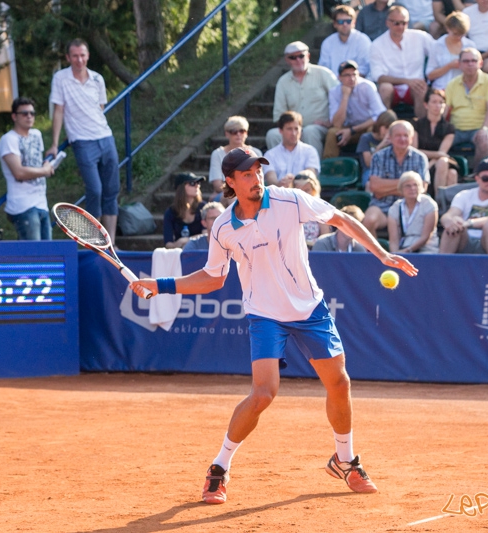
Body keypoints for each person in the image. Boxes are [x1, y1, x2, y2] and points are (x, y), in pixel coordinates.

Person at [129, 147, 418, 505]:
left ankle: (344, 459)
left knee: (339, 383)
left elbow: (341, 219)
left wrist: (382, 254)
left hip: (309, 309)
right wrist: (161, 285)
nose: (256, 179)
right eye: (247, 174)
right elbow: (213, 277)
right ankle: (219, 467)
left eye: (258, 171)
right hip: (265, 315)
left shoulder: (290, 199)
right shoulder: (223, 227)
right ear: (231, 182)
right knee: (264, 393)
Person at [47, 38, 121, 240]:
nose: (79, 60)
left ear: (88, 56)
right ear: (68, 57)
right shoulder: (61, 78)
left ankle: (111, 242)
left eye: (82, 55)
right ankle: (95, 240)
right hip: (82, 141)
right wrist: (55, 144)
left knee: (111, 190)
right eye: (75, 56)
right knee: (95, 190)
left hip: (105, 137)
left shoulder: (97, 78)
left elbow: (100, 108)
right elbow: (59, 110)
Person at [267, 42, 339, 161]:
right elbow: (280, 114)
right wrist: (290, 128)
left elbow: (339, 98)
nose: (298, 60)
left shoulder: (323, 74)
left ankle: (314, 169)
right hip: (293, 127)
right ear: (287, 60)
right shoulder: (283, 82)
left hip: (320, 127)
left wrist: (331, 122)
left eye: (301, 56)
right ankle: (281, 169)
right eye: (293, 57)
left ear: (308, 56)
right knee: (272, 135)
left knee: (310, 132)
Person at [0, 97, 55, 240]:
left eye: (32, 113)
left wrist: (46, 166)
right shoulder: (8, 139)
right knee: (33, 251)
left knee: (48, 251)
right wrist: (45, 171)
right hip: (22, 205)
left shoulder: (37, 134)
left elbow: (36, 163)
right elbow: (18, 172)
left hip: (41, 202)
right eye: (24, 113)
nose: (29, 116)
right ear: (14, 117)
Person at [363, 120, 430, 234]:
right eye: (398, 135)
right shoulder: (378, 157)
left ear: (412, 138)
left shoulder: (420, 158)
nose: (402, 139)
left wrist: (384, 190)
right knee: (369, 220)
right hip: (382, 207)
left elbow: (422, 188)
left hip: (411, 207)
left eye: (406, 135)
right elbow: (374, 186)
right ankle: (375, 247)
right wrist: (408, 184)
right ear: (390, 137)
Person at [368, 5, 435, 118]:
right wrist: (407, 81)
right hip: (392, 89)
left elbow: (438, 51)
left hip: (415, 87)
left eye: (404, 23)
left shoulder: (420, 37)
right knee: (385, 88)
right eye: (396, 23)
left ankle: (422, 125)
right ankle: (385, 124)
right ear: (387, 23)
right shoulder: (377, 45)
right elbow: (378, 77)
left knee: (421, 87)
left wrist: (430, 74)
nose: (401, 27)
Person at [439, 160, 488, 254]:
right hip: (465, 239)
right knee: (454, 223)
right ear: (477, 179)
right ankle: (442, 262)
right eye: (486, 178)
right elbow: (449, 215)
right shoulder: (464, 195)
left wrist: (468, 223)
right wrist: (449, 222)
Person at [445, 48, 488, 166]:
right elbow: (445, 110)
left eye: (474, 61)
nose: (470, 64)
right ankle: (451, 170)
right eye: (466, 61)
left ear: (481, 63)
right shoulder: (452, 84)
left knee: (484, 140)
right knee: (437, 138)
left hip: (480, 128)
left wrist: (484, 129)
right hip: (456, 129)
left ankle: (477, 174)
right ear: (459, 64)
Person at [325, 60, 386, 159]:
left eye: (354, 74)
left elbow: (380, 115)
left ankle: (370, 161)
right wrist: (345, 96)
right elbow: (337, 124)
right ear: (339, 77)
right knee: (332, 132)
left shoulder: (367, 86)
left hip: (366, 126)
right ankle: (329, 165)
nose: (352, 78)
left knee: (373, 130)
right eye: (347, 75)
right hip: (348, 128)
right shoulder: (334, 92)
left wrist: (352, 130)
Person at [412, 89, 458, 197]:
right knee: (447, 168)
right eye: (434, 102)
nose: (438, 106)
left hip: (438, 164)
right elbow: (414, 151)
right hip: (419, 162)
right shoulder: (417, 124)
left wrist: (428, 166)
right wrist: (435, 156)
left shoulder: (449, 128)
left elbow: (442, 153)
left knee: (447, 167)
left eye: (441, 102)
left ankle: (440, 201)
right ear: (426, 105)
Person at [208, 116, 262, 204]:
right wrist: (239, 189)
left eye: (242, 131)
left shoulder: (256, 152)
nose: (238, 134)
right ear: (227, 134)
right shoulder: (217, 154)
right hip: (226, 193)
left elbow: (261, 178)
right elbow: (217, 185)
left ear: (246, 133)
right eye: (234, 132)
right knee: (233, 196)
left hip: (251, 190)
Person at [262, 112, 320, 187]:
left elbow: (310, 177)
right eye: (289, 129)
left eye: (296, 129)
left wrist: (294, 183)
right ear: (280, 130)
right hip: (279, 193)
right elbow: (271, 181)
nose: (294, 133)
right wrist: (282, 184)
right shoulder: (270, 155)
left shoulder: (310, 151)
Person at [387, 171, 440, 253]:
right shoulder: (395, 208)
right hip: (404, 247)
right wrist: (395, 255)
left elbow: (426, 236)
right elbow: (393, 240)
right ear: (401, 189)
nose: (412, 188)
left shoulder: (429, 204)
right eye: (408, 186)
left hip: (426, 250)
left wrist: (408, 250)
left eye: (415, 185)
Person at [426, 12, 477, 91]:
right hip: (441, 89)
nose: (459, 37)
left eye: (462, 34)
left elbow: (476, 72)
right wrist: (449, 66)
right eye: (455, 34)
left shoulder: (471, 45)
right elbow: (430, 75)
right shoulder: (436, 45)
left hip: (464, 89)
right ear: (447, 29)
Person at [319, 6, 373, 79]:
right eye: (340, 22)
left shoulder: (363, 40)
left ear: (354, 22)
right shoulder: (327, 43)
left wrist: (347, 80)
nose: (345, 24)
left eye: (348, 21)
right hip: (333, 83)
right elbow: (324, 69)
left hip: (358, 82)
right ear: (334, 24)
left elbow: (366, 69)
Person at [163, 173, 207, 249]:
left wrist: (187, 240)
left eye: (198, 183)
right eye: (192, 183)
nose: (197, 186)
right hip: (180, 251)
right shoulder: (171, 212)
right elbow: (168, 243)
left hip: (201, 250)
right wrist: (176, 245)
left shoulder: (204, 208)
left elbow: (207, 235)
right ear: (181, 188)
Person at [356, 110, 398, 185]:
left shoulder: (394, 139)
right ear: (379, 125)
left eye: (390, 129)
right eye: (386, 128)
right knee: (370, 183)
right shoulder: (366, 138)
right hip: (370, 171)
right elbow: (368, 163)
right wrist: (380, 146)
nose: (387, 132)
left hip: (389, 170)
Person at [293, 170, 333, 247]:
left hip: (315, 250)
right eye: (299, 190)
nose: (303, 194)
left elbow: (325, 240)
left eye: (307, 190)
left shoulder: (321, 210)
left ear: (314, 190)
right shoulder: (288, 209)